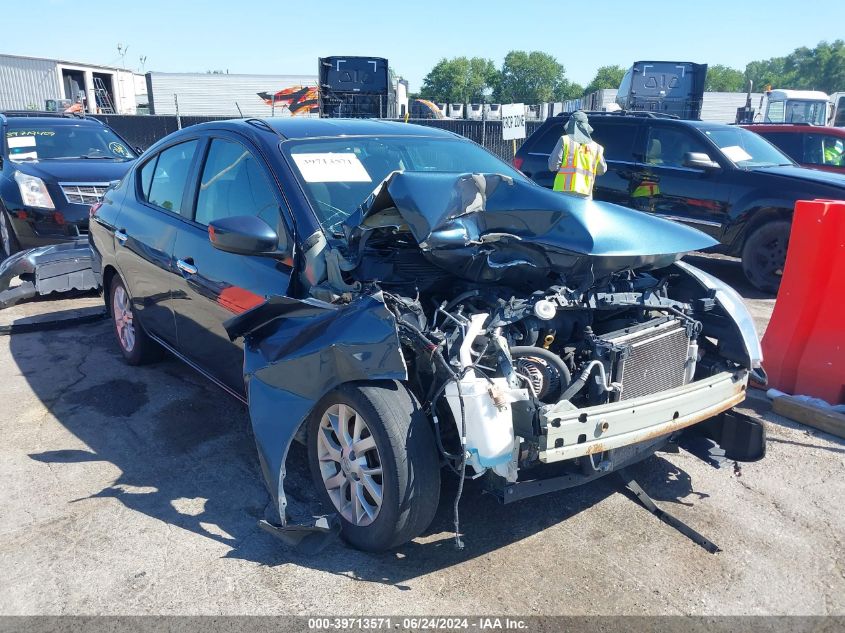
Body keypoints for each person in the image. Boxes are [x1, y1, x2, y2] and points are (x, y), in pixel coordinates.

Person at [548, 111, 607, 198]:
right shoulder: (597, 147)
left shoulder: (565, 140)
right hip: (585, 193)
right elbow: (602, 170)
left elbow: (553, 166)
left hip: (563, 192)